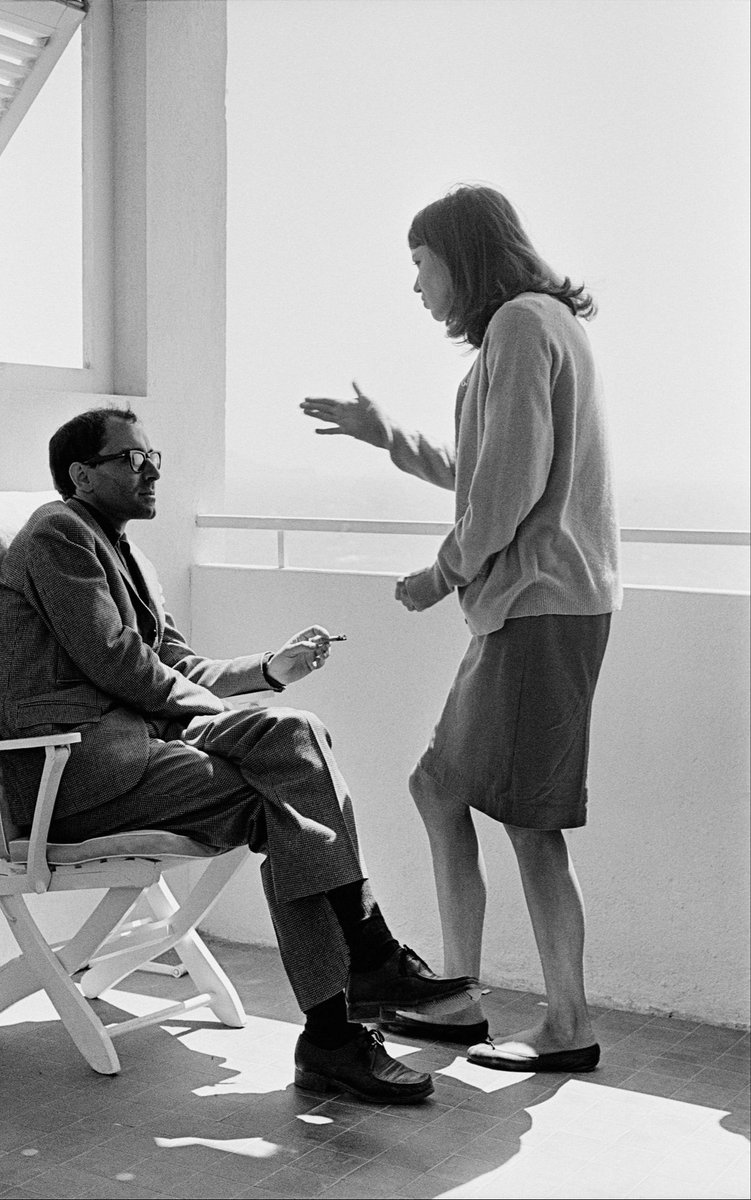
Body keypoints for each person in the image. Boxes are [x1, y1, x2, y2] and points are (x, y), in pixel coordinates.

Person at [0, 406, 477, 1104]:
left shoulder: (128, 555)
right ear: (81, 474)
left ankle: (348, 1007)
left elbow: (174, 664)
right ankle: (352, 994)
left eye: (153, 455)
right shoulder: (57, 533)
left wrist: (269, 670)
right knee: (285, 792)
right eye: (132, 458)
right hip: (75, 774)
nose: (152, 470)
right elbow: (116, 660)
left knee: (293, 742)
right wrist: (223, 714)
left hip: (142, 750)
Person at [300, 185, 622, 1073]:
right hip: (538, 606)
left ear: (462, 255)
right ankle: (458, 997)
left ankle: (564, 1024)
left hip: (539, 606)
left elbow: (506, 492)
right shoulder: (536, 326)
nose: (415, 285)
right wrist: (385, 436)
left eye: (420, 262)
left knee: (525, 822)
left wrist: (437, 576)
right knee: (440, 789)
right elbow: (486, 467)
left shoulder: (521, 325)